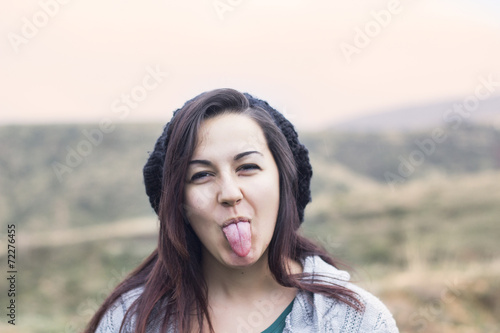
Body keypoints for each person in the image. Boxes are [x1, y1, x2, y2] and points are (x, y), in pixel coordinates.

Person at [85, 88, 399, 333]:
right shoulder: (128, 321)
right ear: (178, 204)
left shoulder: (357, 321)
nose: (230, 193)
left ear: (283, 182)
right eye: (202, 175)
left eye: (247, 167)